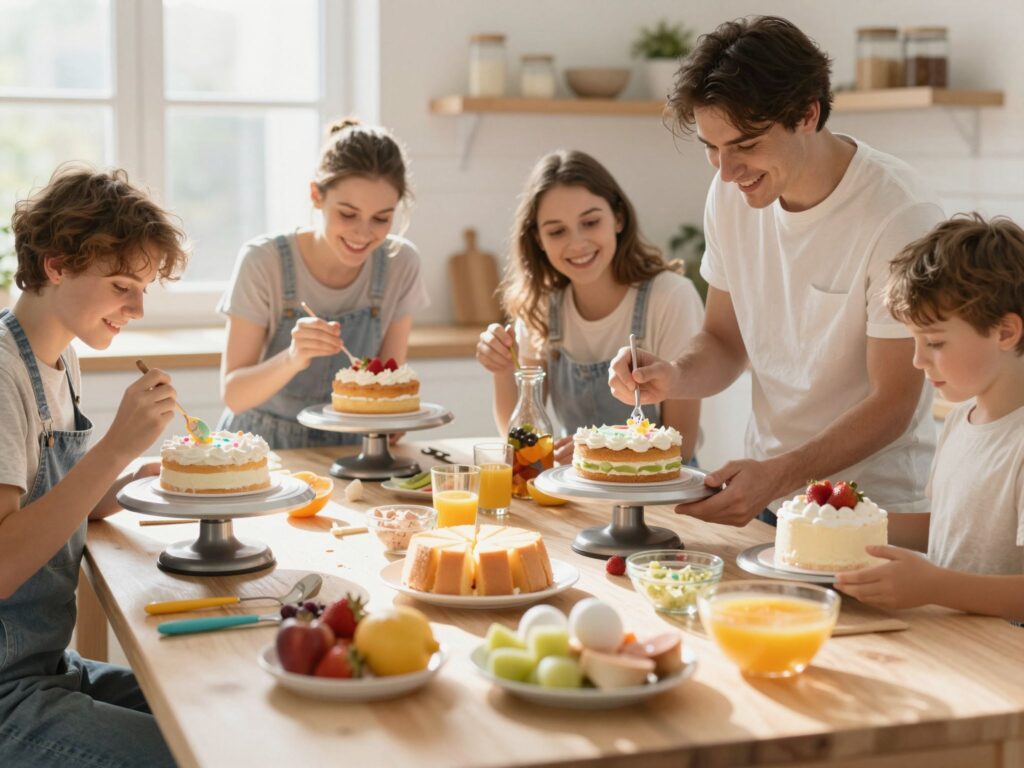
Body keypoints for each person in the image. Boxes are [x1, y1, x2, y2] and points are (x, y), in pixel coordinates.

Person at [608, 16, 943, 524]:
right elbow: (724, 341)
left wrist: (783, 475)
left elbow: (893, 402)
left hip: (870, 512)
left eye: (745, 145)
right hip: (769, 499)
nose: (726, 171)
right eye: (711, 148)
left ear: (807, 114)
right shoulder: (729, 194)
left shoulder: (897, 215)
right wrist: (673, 375)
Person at [0, 166, 188, 766]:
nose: (135, 308)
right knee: (188, 754)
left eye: (142, 290)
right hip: (9, 693)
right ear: (57, 265)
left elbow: (49, 505)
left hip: (49, 668)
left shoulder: (57, 357)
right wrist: (113, 450)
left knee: (220, 714)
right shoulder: (3, 375)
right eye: (120, 286)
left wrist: (128, 481)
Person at [836, 215, 1024, 622]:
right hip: (954, 643)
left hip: (1005, 663)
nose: (918, 360)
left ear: (1006, 332)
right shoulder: (961, 421)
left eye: (935, 342)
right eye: (915, 342)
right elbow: (948, 527)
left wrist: (935, 586)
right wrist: (850, 523)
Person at [476, 149, 704, 465]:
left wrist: (599, 448)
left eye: (591, 222)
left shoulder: (671, 297)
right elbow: (522, 441)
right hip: (581, 487)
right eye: (557, 231)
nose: (577, 243)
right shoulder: (542, 304)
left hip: (662, 496)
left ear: (618, 218)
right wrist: (501, 371)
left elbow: (683, 443)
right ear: (539, 239)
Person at [218, 118, 429, 448]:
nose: (363, 234)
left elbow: (386, 380)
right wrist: (292, 357)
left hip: (352, 447)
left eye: (381, 219)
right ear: (316, 195)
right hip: (259, 447)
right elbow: (234, 395)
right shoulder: (263, 261)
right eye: (347, 214)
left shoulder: (400, 264)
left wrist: (391, 423)